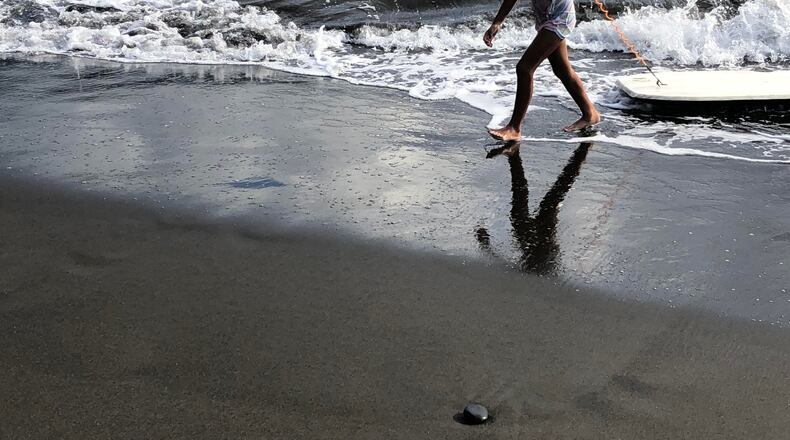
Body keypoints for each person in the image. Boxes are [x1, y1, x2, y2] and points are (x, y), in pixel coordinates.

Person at [484, 0, 600, 141]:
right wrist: (497, 22)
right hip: (546, 16)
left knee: (524, 68)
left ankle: (514, 128)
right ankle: (590, 114)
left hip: (560, 18)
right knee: (561, 69)